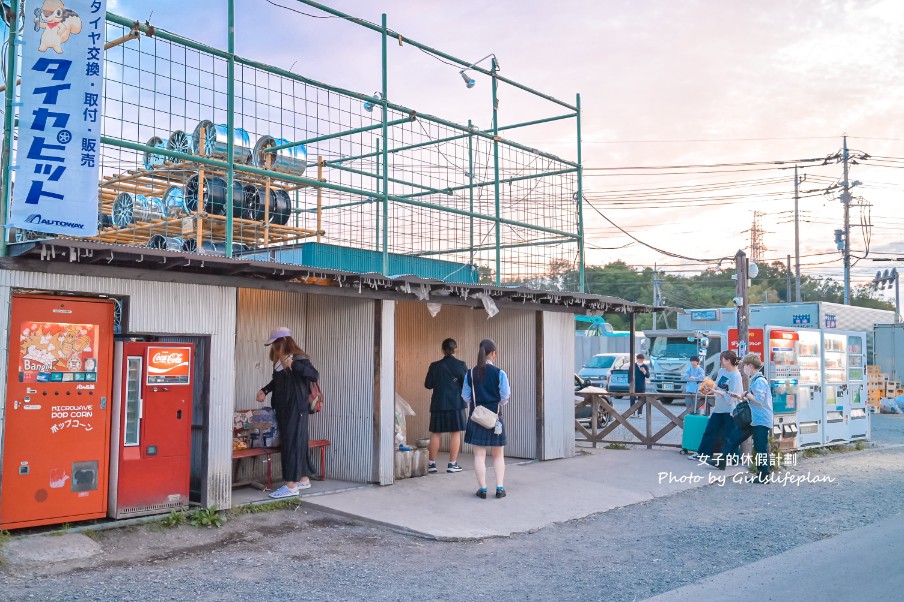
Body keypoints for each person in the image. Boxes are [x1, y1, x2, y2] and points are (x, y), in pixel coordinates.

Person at [255, 327, 320, 499]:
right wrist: (264, 390)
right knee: (297, 442)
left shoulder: (299, 358)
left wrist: (294, 365)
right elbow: (277, 382)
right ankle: (304, 479)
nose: (273, 349)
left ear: (282, 342)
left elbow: (314, 375)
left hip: (296, 408)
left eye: (274, 344)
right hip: (285, 409)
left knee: (291, 444)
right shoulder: (279, 361)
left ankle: (291, 485)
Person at [462, 339, 511, 499]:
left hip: (476, 418)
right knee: (498, 456)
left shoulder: (470, 373)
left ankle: (482, 489)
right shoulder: (500, 373)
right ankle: (499, 489)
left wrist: (479, 406)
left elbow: (465, 396)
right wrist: (496, 404)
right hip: (495, 418)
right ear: (493, 353)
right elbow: (505, 396)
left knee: (479, 456)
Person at [723, 354, 773, 482]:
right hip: (755, 418)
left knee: (760, 447)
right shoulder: (756, 379)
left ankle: (764, 475)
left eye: (744, 365)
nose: (743, 368)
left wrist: (746, 393)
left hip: (760, 419)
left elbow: (759, 400)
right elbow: (753, 398)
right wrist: (740, 396)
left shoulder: (760, 381)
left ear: (750, 366)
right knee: (736, 437)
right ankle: (722, 460)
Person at [424, 338, 468, 474]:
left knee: (436, 433)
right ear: (456, 349)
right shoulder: (461, 365)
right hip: (456, 404)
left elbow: (428, 385)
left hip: (438, 403)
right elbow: (466, 385)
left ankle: (431, 464)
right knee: (455, 433)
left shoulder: (434, 366)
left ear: (442, 350)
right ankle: (452, 464)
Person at [695, 350, 743, 466]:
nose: (720, 362)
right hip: (718, 408)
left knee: (729, 434)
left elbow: (731, 396)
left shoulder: (736, 376)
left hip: (730, 409)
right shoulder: (722, 371)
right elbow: (716, 384)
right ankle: (703, 454)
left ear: (727, 360)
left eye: (722, 359)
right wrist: (709, 385)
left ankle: (734, 458)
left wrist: (715, 391)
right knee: (710, 431)